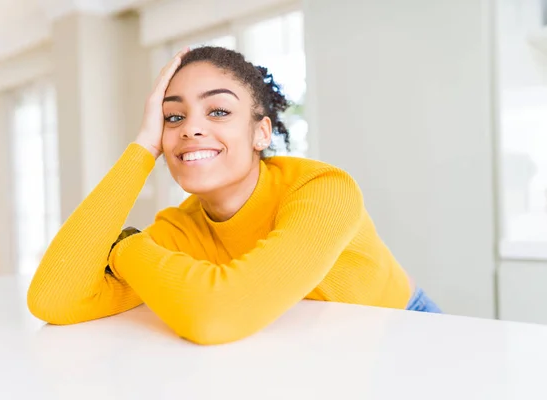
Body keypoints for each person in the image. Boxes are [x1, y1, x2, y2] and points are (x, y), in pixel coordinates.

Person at [27, 46, 441, 345]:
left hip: (402, 335)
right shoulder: (182, 227)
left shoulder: (323, 190)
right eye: (173, 117)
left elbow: (216, 318)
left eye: (219, 111)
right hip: (305, 352)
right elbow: (55, 300)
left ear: (261, 132)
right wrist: (141, 150)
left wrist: (126, 247)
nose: (191, 128)